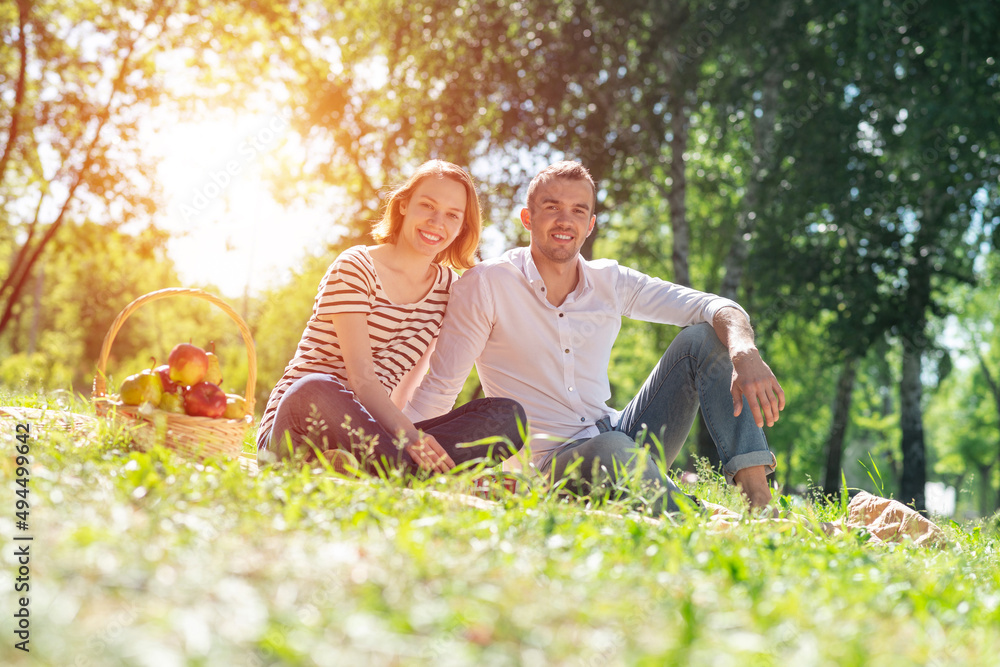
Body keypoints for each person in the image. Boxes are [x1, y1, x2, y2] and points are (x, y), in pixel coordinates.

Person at [404, 160, 783, 511]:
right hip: (553, 465)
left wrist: (745, 353)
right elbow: (441, 386)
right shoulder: (487, 284)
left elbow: (716, 307)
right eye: (551, 207)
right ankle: (695, 514)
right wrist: (401, 452)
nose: (564, 220)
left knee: (704, 338)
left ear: (590, 224)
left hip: (621, 433)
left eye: (578, 211)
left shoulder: (611, 281)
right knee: (614, 447)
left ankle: (760, 504)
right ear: (527, 218)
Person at [257, 160, 525, 474]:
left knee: (507, 415)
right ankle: (404, 472)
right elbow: (361, 379)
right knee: (314, 388)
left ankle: (385, 469)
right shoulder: (355, 266)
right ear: (402, 206)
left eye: (453, 215)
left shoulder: (449, 290)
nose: (437, 222)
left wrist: (410, 436)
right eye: (427, 206)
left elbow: (405, 386)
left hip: (370, 436)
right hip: (298, 423)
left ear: (463, 226)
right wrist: (411, 438)